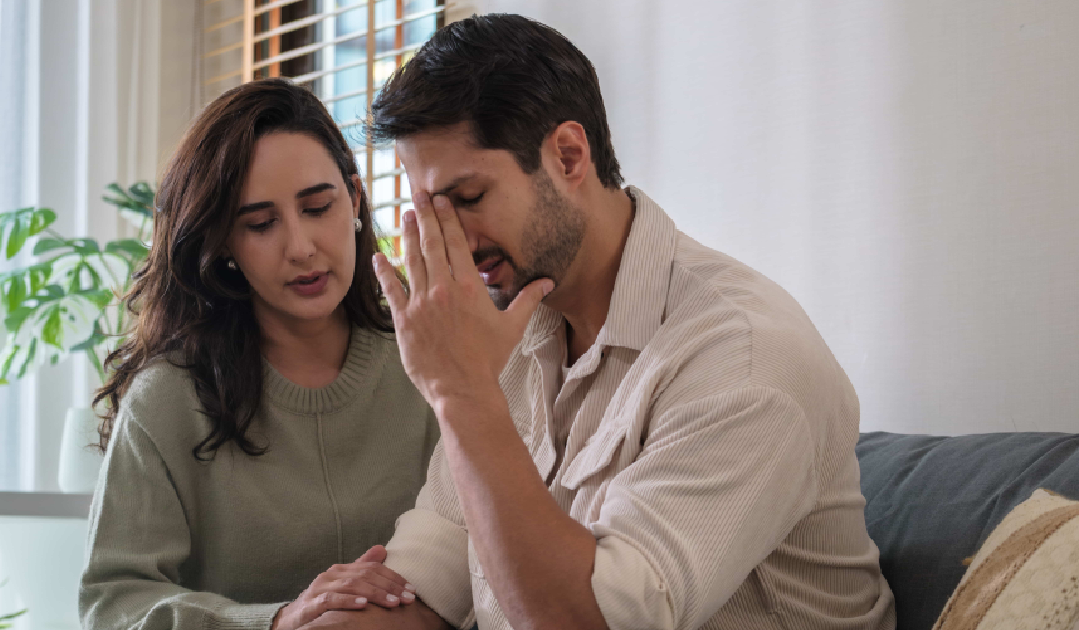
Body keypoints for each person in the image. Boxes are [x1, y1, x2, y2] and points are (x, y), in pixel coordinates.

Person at [304, 12, 897, 630]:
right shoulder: (507, 332)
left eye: (469, 198)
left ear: (567, 155)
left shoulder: (743, 355)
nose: (449, 239)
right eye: (428, 209)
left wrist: (459, 393)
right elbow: (421, 585)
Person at [79, 79, 438, 630]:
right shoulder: (170, 400)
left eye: (318, 207)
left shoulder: (434, 359)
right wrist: (275, 622)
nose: (301, 246)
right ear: (223, 243)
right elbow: (113, 607)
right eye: (261, 224)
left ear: (356, 199)